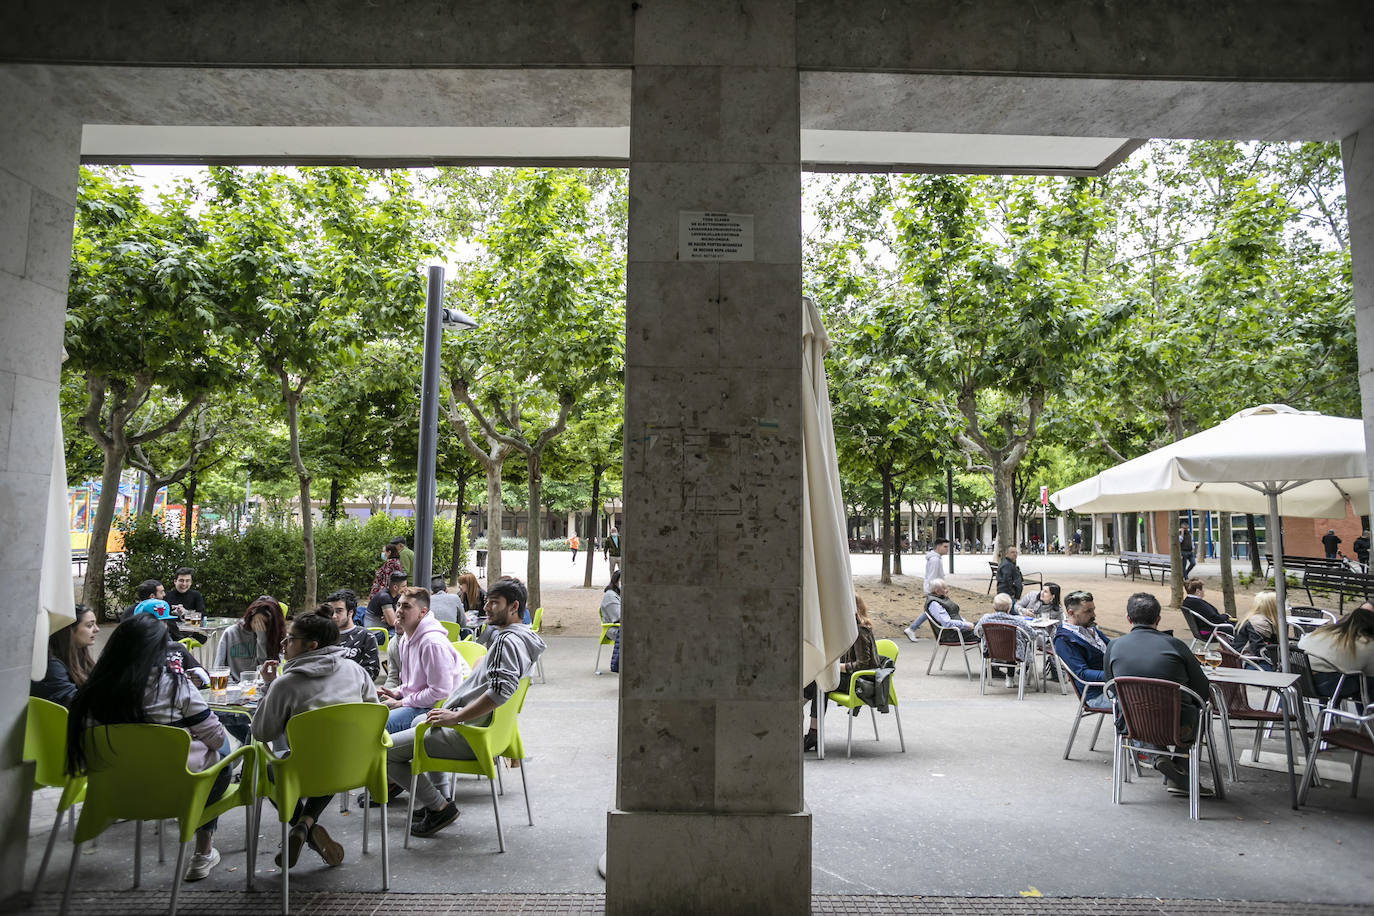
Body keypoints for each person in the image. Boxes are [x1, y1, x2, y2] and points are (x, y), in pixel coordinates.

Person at [67, 613, 231, 881]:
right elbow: (216, 738)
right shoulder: (176, 686)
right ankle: (203, 851)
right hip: (175, 788)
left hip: (116, 792)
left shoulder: (91, 690)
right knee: (221, 755)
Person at [385, 578, 546, 838]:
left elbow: (500, 692)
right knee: (422, 722)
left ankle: (439, 807)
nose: (487, 608)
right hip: (490, 734)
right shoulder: (522, 638)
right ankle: (439, 799)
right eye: (488, 602)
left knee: (386, 752)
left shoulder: (506, 642)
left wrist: (456, 716)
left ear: (514, 606)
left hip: (471, 735)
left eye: (494, 603)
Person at [251, 611, 376, 869]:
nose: (283, 644)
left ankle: (300, 825)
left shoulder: (285, 684)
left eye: (290, 639)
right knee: (333, 753)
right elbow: (374, 712)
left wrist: (268, 687)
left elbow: (261, 733)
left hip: (302, 772)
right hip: (354, 767)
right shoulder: (356, 671)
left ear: (312, 645)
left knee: (267, 769)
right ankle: (306, 824)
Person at [1103, 592, 1214, 797]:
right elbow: (1202, 689)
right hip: (1180, 728)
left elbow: (1111, 689)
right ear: (1158, 619)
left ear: (1128, 618)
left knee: (1140, 711)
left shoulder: (1114, 646)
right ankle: (1180, 769)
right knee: (1202, 712)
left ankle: (1157, 756)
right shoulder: (1176, 645)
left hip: (1133, 725)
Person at [376, 587, 466, 734]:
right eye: (398, 605)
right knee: (367, 714)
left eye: (406, 606)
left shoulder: (432, 643)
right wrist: (397, 692)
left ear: (422, 612)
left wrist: (402, 702)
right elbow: (413, 684)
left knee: (376, 726)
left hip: (435, 708)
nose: (398, 610)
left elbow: (440, 692)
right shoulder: (405, 638)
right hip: (415, 702)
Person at [803, 595, 878, 752]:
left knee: (821, 682)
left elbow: (862, 665)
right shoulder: (848, 631)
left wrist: (837, 667)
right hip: (851, 679)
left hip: (861, 682)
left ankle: (812, 732)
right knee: (818, 678)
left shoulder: (859, 632)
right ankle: (811, 730)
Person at [1298, 603, 1374, 703]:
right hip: (1330, 686)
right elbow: (1370, 672)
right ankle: (1366, 714)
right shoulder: (1366, 643)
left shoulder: (1323, 632)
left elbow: (1300, 644)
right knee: (1367, 681)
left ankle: (1328, 714)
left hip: (1301, 681)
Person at [32, 604, 99, 707]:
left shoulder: (80, 654)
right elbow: (73, 701)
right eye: (89, 625)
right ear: (70, 630)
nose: (97, 629)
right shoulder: (51, 666)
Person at [1054, 590, 1110, 706]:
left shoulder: (1090, 628)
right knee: (1143, 701)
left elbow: (1112, 648)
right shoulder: (1064, 639)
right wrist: (1115, 675)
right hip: (1096, 694)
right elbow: (1082, 673)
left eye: (1093, 610)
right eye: (1088, 611)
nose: (1094, 615)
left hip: (1114, 686)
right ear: (1071, 613)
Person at [321, 591, 380, 681]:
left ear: (350, 612)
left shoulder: (366, 636)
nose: (333, 616)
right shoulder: (321, 635)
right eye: (330, 611)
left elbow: (372, 670)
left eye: (339, 611)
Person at [974, 593, 1037, 672]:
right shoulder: (1018, 621)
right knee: (1018, 644)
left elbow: (977, 632)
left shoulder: (985, 619)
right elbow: (1033, 635)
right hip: (1016, 653)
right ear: (1010, 608)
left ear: (993, 606)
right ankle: (1016, 675)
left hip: (991, 651)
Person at [901, 538, 949, 639]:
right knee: (931, 612)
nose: (947, 549)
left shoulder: (935, 559)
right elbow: (932, 577)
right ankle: (912, 629)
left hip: (936, 589)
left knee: (932, 612)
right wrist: (934, 591)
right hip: (935, 590)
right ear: (938, 546)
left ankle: (913, 629)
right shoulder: (935, 560)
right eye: (945, 546)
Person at [1232, 591, 1284, 664]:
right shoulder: (1260, 623)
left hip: (1243, 659)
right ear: (1274, 607)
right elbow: (1260, 650)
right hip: (1251, 663)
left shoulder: (1254, 618)